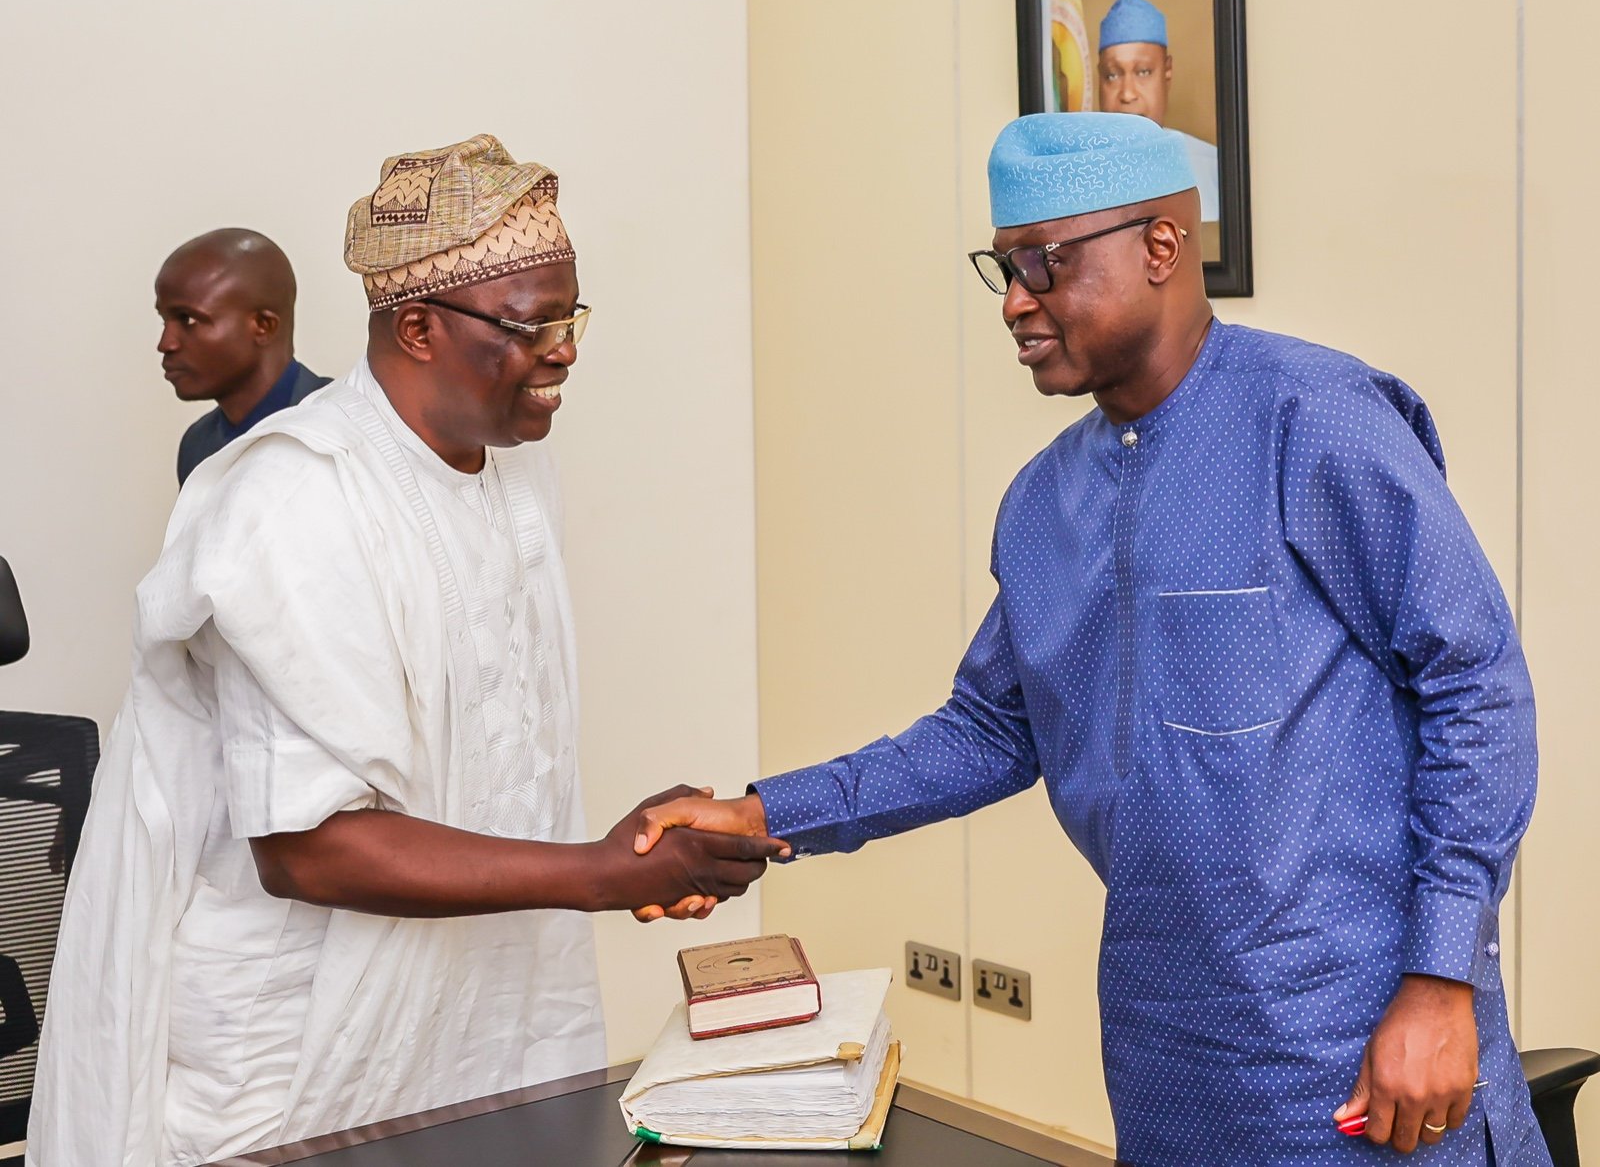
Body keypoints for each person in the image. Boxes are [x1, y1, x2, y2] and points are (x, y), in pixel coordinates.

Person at [631, 114, 1551, 1165]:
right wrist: (762, 815)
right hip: (1167, 1043)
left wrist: (1439, 979)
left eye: (1045, 263)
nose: (1014, 301)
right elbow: (989, 729)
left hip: (1363, 1033)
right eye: (1003, 267)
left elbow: (1475, 686)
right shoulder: (1041, 504)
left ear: (1160, 246)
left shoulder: (1314, 420)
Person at [28, 135, 784, 1167]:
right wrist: (601, 872)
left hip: (483, 1010)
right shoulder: (293, 499)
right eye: (531, 324)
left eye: (569, 319)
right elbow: (306, 847)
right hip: (301, 1043)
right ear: (419, 328)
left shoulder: (516, 470)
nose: (562, 350)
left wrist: (635, 849)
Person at [157, 228, 333, 485]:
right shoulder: (197, 445)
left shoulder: (341, 429)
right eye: (165, 320)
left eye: (188, 319)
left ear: (263, 326)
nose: (166, 343)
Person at [1095, 0, 1220, 223]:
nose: (1127, 94)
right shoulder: (1078, 177)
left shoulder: (1214, 170)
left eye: (1143, 72)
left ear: (1167, 71)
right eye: (1112, 75)